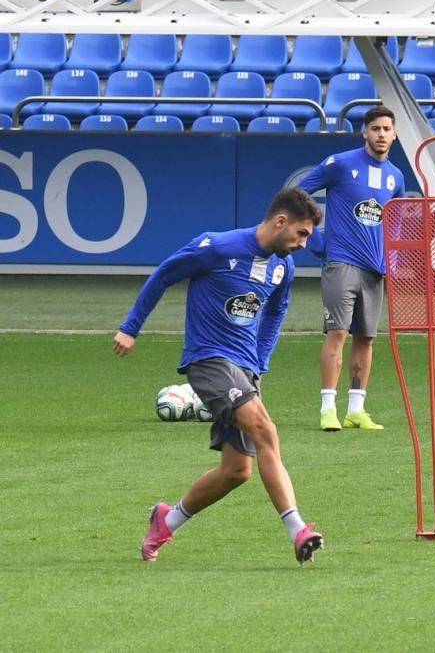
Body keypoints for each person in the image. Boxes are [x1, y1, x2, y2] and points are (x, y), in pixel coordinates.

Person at [113, 188, 326, 565]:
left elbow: (277, 311)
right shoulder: (216, 247)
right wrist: (131, 327)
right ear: (281, 221)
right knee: (266, 431)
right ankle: (298, 530)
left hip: (245, 370)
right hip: (208, 360)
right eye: (301, 234)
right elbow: (164, 274)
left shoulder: (283, 268)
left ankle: (167, 519)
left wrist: (260, 362)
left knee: (237, 471)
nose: (303, 243)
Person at [299, 105, 405, 432]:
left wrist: (394, 260)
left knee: (366, 338)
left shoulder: (396, 177)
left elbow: (397, 221)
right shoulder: (341, 163)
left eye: (387, 129)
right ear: (365, 132)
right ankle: (328, 409)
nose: (382, 135)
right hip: (341, 262)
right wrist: (315, 241)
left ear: (395, 134)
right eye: (376, 129)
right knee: (338, 333)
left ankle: (356, 410)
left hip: (375, 270)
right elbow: (297, 194)